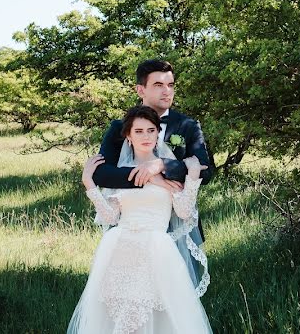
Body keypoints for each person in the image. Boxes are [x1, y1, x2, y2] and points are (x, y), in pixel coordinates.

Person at [68, 105, 212, 334]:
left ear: (157, 134)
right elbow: (110, 216)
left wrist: (192, 178)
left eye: (151, 130)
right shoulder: (121, 172)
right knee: (123, 318)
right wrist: (89, 184)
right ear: (128, 136)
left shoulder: (169, 170)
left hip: (156, 249)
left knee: (153, 315)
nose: (146, 136)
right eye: (139, 131)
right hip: (120, 248)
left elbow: (183, 212)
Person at [92, 59, 215, 283]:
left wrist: (162, 165)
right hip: (132, 227)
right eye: (158, 85)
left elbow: (206, 171)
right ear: (140, 89)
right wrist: (152, 179)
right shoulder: (121, 128)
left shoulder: (188, 126)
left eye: (170, 85)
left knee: (176, 299)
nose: (167, 91)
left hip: (178, 222)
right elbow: (101, 173)